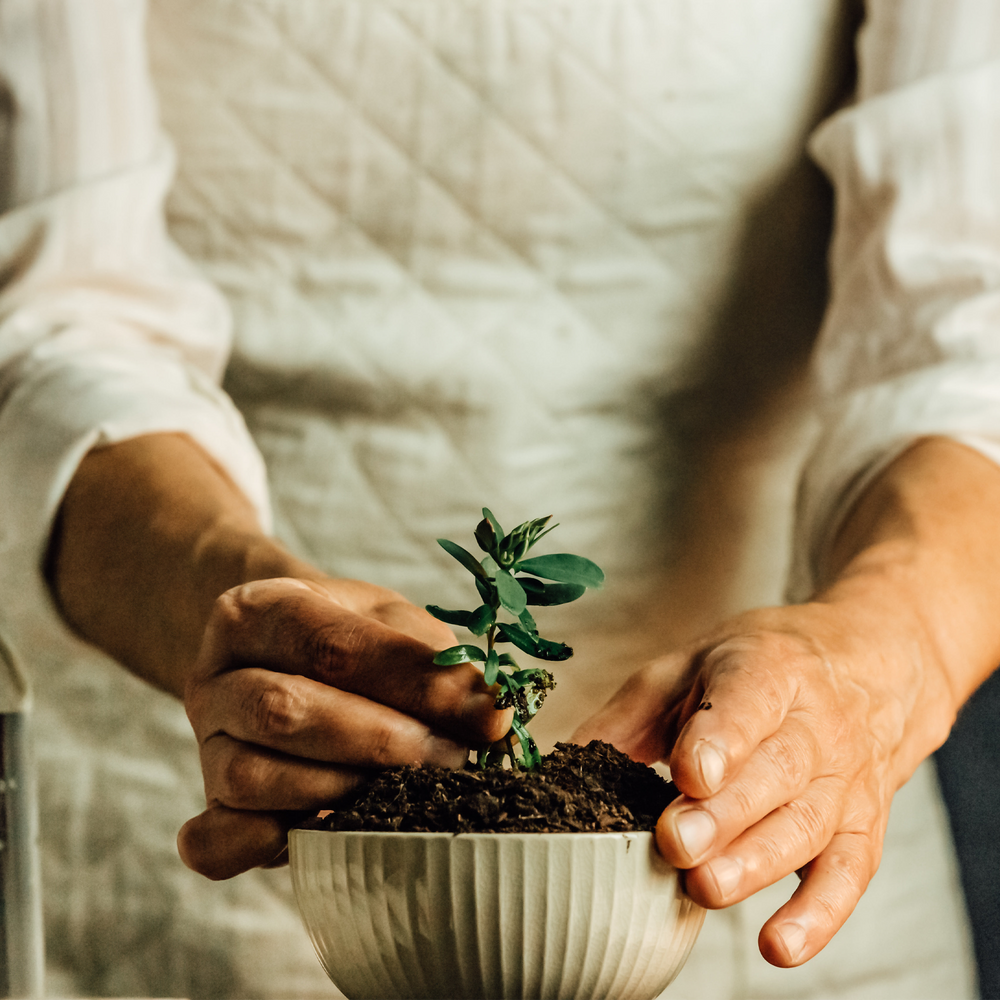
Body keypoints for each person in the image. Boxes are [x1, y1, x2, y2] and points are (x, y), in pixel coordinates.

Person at [0, 0, 998, 997]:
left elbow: (970, 330)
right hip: (205, 806)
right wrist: (238, 604)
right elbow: (53, 316)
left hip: (733, 854)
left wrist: (877, 648)